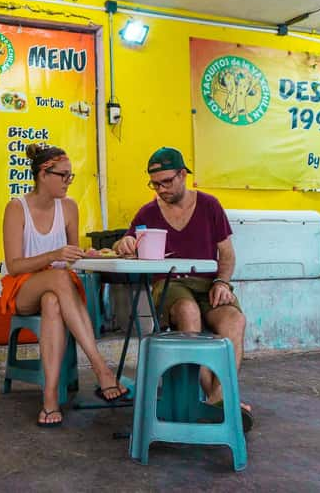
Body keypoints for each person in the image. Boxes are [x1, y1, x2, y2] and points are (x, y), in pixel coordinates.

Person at [113, 146, 253, 431]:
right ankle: (214, 401)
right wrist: (124, 244)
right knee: (189, 314)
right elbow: (123, 245)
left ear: (182, 175)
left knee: (234, 320)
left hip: (209, 283)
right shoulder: (148, 212)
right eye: (155, 184)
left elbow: (226, 253)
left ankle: (216, 400)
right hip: (169, 285)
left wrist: (222, 282)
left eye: (167, 181)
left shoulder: (210, 205)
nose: (161, 189)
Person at [0, 144, 128, 428]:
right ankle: (99, 367)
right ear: (43, 174)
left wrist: (85, 254)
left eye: (71, 176)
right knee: (57, 279)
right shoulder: (16, 208)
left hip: (58, 289)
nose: (69, 182)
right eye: (64, 176)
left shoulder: (69, 207)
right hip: (23, 287)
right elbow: (14, 265)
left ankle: (49, 399)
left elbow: (71, 254)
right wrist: (54, 256)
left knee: (53, 301)